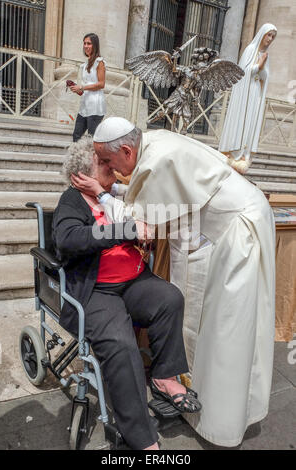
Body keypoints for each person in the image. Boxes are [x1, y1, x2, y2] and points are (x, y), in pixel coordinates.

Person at [71, 117, 276, 448]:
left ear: (126, 149)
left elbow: (138, 223)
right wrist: (112, 191)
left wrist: (104, 195)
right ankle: (183, 391)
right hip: (223, 228)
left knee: (227, 328)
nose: (110, 169)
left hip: (237, 232)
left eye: (109, 162)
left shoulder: (158, 159)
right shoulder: (153, 143)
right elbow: (147, 194)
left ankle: (221, 419)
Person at [52, 136, 201, 450]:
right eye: (103, 164)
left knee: (169, 298)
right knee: (121, 346)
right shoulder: (72, 200)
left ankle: (164, 376)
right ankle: (142, 439)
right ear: (82, 175)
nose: (111, 166)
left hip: (133, 281)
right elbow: (66, 239)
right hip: (97, 292)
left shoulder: (112, 193)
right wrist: (124, 231)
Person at [219, 24, 277, 174]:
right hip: (244, 93)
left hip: (255, 94)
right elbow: (243, 73)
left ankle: (244, 154)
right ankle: (235, 153)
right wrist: (259, 65)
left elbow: (265, 77)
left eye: (273, 37)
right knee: (241, 120)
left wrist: (262, 68)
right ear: (262, 35)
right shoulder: (250, 50)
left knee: (250, 122)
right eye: (268, 35)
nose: (270, 39)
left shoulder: (265, 54)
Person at [70, 33, 106, 142]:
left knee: (92, 138)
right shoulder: (85, 64)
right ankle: (76, 159)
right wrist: (78, 90)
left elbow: (101, 84)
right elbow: (86, 86)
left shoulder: (100, 62)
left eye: (89, 43)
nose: (86, 46)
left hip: (95, 105)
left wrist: (82, 87)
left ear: (95, 45)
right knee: (76, 136)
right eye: (84, 43)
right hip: (85, 104)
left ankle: (92, 159)